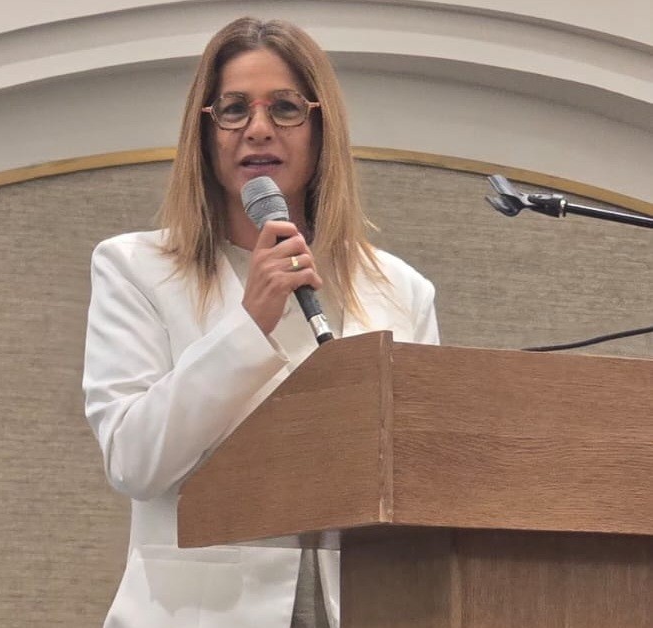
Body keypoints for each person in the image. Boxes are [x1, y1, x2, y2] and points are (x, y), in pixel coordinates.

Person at [82, 16, 439, 628]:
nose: (258, 129)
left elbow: (423, 478)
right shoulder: (135, 268)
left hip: (362, 602)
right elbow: (133, 460)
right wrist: (249, 326)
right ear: (205, 131)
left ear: (322, 127)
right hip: (201, 610)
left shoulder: (400, 289)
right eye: (233, 109)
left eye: (285, 108)